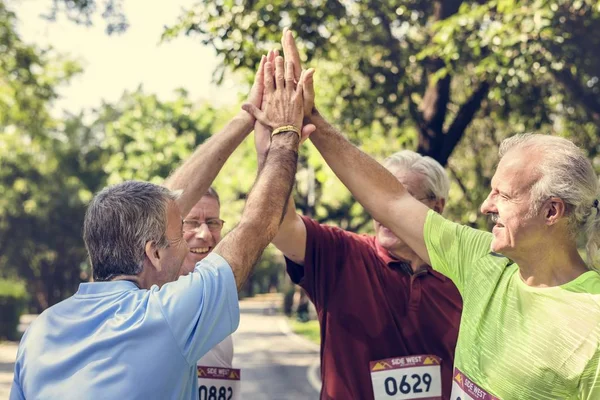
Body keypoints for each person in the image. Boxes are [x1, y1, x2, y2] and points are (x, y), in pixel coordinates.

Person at [249, 31, 600, 399]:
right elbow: (390, 201)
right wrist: (310, 121)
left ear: (551, 211)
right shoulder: (481, 260)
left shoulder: (591, 323)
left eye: (503, 195)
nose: (486, 206)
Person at [10, 53, 311, 399]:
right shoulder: (166, 315)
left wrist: (246, 118)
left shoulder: (40, 331)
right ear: (153, 252)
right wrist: (286, 132)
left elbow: (163, 204)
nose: (189, 241)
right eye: (178, 235)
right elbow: (256, 226)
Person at [247, 32, 463, 400]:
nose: (383, 213)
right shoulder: (342, 253)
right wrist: (274, 152)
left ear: (437, 207)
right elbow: (278, 227)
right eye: (377, 201)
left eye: (400, 201)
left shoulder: (465, 271)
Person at [179, 188, 234, 370]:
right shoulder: (148, 302)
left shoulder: (218, 299)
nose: (205, 234)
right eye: (192, 223)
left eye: (212, 223)